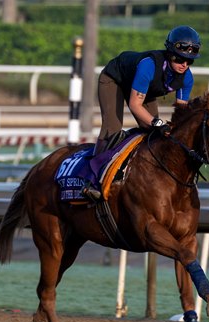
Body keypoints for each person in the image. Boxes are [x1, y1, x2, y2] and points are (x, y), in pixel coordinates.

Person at [83, 25, 202, 200]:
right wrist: (157, 122)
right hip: (115, 80)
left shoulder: (187, 78)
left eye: (189, 61)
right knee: (113, 128)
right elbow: (134, 104)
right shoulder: (149, 66)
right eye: (179, 59)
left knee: (155, 135)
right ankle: (92, 180)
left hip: (145, 91)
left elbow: (181, 113)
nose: (184, 64)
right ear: (169, 53)